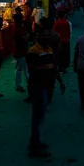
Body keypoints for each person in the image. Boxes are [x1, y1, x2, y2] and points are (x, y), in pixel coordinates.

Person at [26, 23, 65, 158]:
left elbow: (53, 67)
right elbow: (31, 72)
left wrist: (60, 81)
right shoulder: (33, 51)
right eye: (44, 35)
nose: (46, 38)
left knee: (40, 117)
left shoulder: (48, 49)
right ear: (38, 36)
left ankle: (36, 141)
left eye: (48, 35)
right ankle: (34, 147)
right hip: (38, 88)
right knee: (37, 117)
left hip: (46, 87)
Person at [13, 13, 29, 93]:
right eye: (22, 18)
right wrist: (25, 37)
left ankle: (27, 83)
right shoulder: (17, 28)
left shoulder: (19, 27)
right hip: (20, 50)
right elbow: (19, 39)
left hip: (22, 50)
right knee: (20, 69)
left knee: (23, 68)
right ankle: (18, 85)